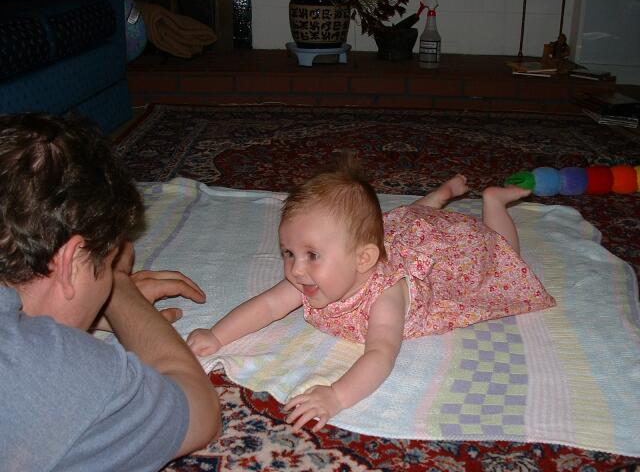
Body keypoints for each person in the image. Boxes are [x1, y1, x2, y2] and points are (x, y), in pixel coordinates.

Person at [187, 164, 555, 432]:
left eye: (312, 255)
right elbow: (267, 306)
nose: (296, 269)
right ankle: (440, 195)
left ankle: (494, 202)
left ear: (363, 259)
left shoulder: (386, 296)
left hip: (446, 253)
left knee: (499, 256)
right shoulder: (313, 277)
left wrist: (336, 396)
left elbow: (380, 353)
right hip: (397, 234)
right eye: (289, 252)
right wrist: (217, 336)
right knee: (404, 220)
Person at [0, 113, 221, 471]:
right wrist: (119, 284)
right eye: (108, 256)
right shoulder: (50, 367)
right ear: (71, 262)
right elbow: (199, 410)